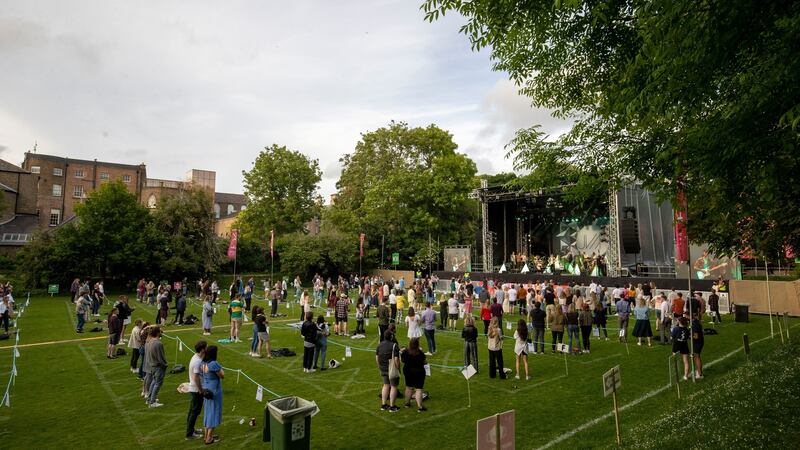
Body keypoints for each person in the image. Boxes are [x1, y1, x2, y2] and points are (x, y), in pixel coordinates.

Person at [201, 345, 224, 445]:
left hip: (206, 389)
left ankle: (206, 435)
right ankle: (209, 438)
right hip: (214, 390)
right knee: (214, 413)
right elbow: (222, 375)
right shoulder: (213, 364)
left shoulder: (203, 363)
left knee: (208, 412)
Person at [186, 340, 207, 440]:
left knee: (192, 411)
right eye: (205, 348)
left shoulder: (196, 357)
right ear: (202, 349)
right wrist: (201, 390)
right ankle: (189, 433)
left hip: (194, 388)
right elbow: (196, 377)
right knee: (195, 411)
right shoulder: (197, 362)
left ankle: (191, 429)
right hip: (196, 389)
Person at [376, 329, 401, 412]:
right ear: (391, 336)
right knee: (393, 386)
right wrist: (398, 368)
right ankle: (392, 406)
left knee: (386, 385)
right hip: (391, 368)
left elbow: (377, 358)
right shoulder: (394, 345)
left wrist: (379, 366)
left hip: (382, 367)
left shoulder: (379, 345)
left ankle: (383, 405)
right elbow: (397, 359)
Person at [401, 337, 428, 412]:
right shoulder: (420, 353)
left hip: (408, 371)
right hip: (419, 372)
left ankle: (407, 403)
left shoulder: (405, 352)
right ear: (417, 344)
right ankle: (420, 407)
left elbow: (402, 361)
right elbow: (425, 362)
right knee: (419, 389)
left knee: (409, 387)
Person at [144, 325, 168, 407]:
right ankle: (152, 401)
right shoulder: (158, 343)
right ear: (157, 333)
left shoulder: (149, 341)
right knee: (157, 383)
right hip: (158, 366)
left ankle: (150, 399)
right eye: (160, 331)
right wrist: (165, 365)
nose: (162, 332)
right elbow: (161, 357)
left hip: (152, 366)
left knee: (154, 382)